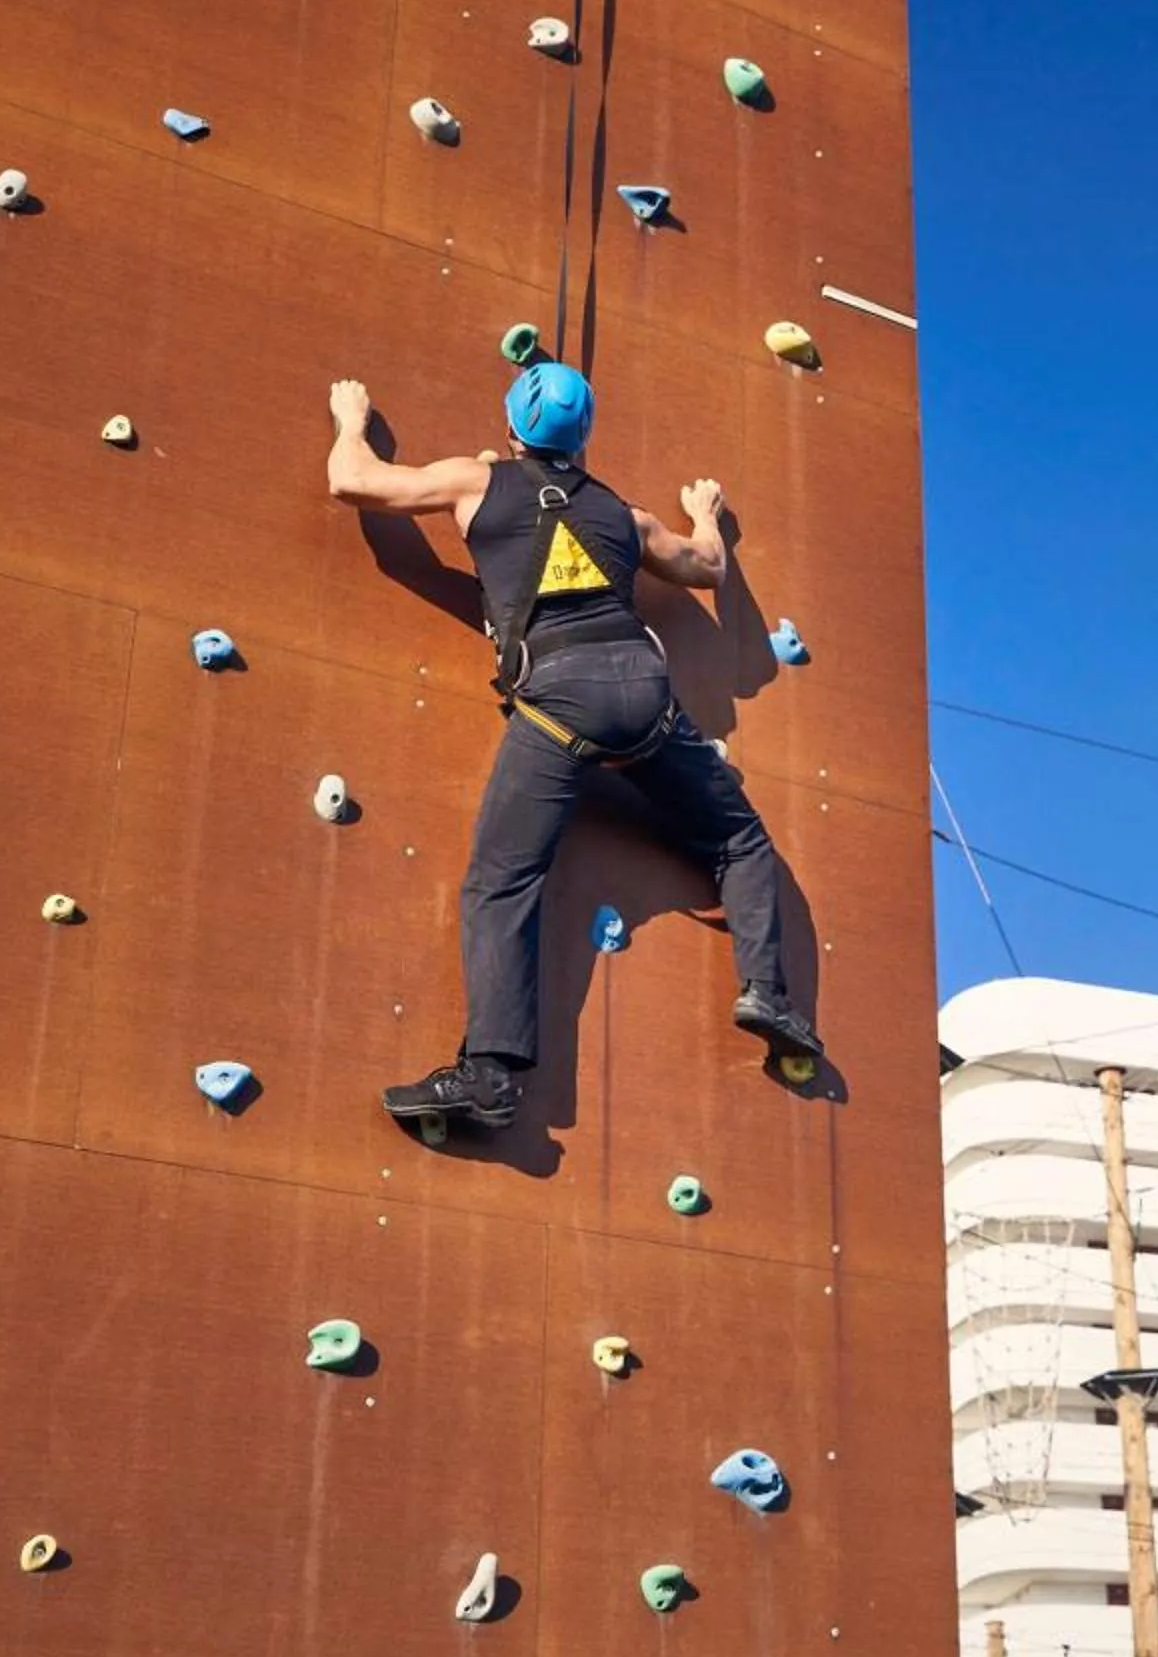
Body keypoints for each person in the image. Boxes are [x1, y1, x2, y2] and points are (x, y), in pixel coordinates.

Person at [323, 367, 820, 1131]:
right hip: (644, 696)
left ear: (511, 428)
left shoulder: (476, 480)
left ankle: (489, 1077)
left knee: (504, 880)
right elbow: (706, 566)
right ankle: (768, 995)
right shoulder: (626, 517)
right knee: (741, 841)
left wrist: (351, 417)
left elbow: (352, 483)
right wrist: (705, 512)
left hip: (557, 704)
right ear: (583, 436)